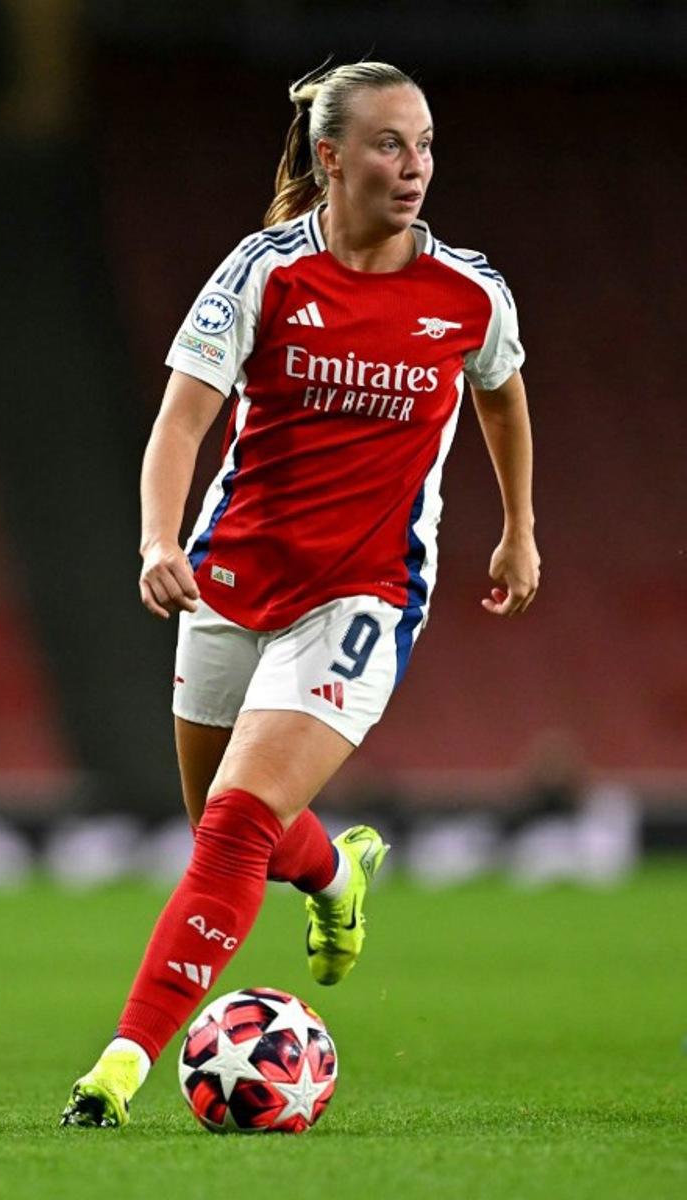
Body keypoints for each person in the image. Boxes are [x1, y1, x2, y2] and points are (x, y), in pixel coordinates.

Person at [61, 60, 540, 1128]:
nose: (413, 167)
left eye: (423, 145)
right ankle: (337, 875)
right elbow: (182, 419)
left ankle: (122, 1065)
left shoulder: (469, 292)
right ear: (330, 158)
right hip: (232, 580)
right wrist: (155, 539)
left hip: (365, 595)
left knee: (233, 828)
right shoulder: (264, 270)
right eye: (387, 144)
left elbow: (501, 395)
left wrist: (519, 529)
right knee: (230, 835)